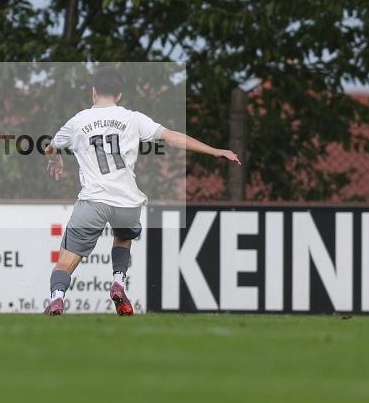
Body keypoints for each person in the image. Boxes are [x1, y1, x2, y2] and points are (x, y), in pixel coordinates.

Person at [43, 67, 240, 316]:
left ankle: (58, 298)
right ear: (119, 95)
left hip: (93, 200)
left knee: (66, 259)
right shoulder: (133, 118)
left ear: (93, 92)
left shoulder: (78, 121)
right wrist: (214, 150)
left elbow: (49, 147)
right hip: (127, 202)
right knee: (123, 238)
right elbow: (171, 137)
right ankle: (118, 282)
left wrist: (55, 160)